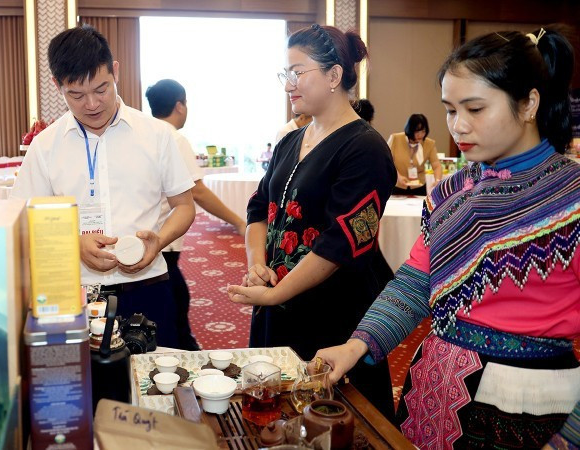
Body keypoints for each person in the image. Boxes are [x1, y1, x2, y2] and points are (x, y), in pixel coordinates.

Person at [314, 26, 580, 449]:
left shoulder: (571, 196)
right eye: (450, 109)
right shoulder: (451, 193)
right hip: (434, 389)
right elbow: (415, 282)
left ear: (529, 103)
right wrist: (356, 344)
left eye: (474, 108)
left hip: (530, 406)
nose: (458, 125)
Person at [226, 24, 397, 419]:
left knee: (333, 420)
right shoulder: (292, 139)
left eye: (297, 72)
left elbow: (342, 243)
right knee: (276, 414)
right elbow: (259, 206)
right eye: (285, 74)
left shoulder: (365, 149)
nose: (288, 84)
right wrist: (258, 264)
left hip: (333, 311)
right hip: (279, 301)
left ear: (334, 76)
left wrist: (275, 295)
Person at [12, 25, 195, 348]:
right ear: (58, 85)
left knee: (153, 388)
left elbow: (184, 206)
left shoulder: (157, 135)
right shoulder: (45, 146)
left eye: (101, 89)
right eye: (76, 95)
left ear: (116, 72)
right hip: (74, 291)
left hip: (148, 284)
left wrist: (160, 240)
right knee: (81, 388)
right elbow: (23, 219)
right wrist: (73, 244)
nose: (92, 104)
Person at [145, 78, 247, 350]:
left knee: (174, 304)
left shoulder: (146, 133)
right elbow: (197, 192)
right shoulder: (173, 138)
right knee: (175, 309)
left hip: (152, 238)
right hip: (164, 242)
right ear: (180, 105)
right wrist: (237, 221)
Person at [387, 114, 443, 196]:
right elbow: (388, 161)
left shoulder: (429, 143)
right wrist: (398, 176)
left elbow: (436, 165)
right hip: (397, 186)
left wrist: (437, 181)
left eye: (423, 131)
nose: (420, 135)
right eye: (417, 132)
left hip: (419, 187)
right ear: (410, 130)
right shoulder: (395, 139)